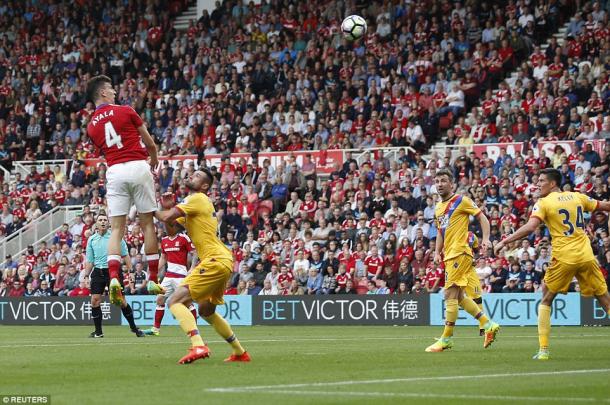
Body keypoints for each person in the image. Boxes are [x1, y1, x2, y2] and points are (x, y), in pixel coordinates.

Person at [494, 168, 610, 360]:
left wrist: (505, 241)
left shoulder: (544, 203)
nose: (537, 184)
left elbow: (531, 227)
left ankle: (543, 350)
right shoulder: (577, 197)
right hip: (587, 255)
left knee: (546, 297)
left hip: (564, 256)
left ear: (553, 183)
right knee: (604, 297)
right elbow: (604, 205)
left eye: (541, 180)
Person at [155, 168, 249, 364]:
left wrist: (146, 205)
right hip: (222, 261)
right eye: (192, 174)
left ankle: (198, 345)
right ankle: (240, 352)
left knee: (175, 301)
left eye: (196, 176)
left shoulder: (197, 197)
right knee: (206, 311)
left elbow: (164, 217)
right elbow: (170, 225)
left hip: (213, 260)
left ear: (205, 186)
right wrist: (168, 207)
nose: (191, 176)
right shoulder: (196, 205)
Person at [85, 75, 162, 305]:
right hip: (138, 166)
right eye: (111, 89)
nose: (115, 92)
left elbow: (105, 150)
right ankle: (153, 278)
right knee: (147, 223)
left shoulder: (91, 127)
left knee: (116, 229)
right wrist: (154, 159)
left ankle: (114, 278)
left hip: (115, 171)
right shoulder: (126, 110)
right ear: (103, 94)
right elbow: (149, 143)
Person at [426, 169, 500, 353]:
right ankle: (487, 323)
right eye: (437, 181)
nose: (440, 184)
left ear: (451, 183)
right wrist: (437, 252)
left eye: (443, 180)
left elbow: (482, 216)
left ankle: (446, 338)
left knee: (449, 295)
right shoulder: (438, 208)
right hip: (449, 254)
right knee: (458, 297)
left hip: (460, 253)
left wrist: (485, 239)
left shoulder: (461, 200)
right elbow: (441, 232)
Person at [85, 212, 143, 338]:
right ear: (96, 223)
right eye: (100, 220)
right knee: (94, 301)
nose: (103, 222)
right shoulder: (91, 240)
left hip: (113, 271)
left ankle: (134, 328)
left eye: (105, 220)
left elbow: (125, 255)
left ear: (109, 222)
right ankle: (98, 332)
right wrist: (85, 276)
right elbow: (89, 260)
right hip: (98, 271)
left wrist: (131, 271)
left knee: (121, 301)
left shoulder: (115, 237)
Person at [143, 228, 198, 336]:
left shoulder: (183, 238)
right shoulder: (164, 240)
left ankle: (194, 329)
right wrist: (154, 271)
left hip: (181, 276)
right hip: (168, 276)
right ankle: (155, 329)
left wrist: (192, 268)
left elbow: (194, 253)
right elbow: (163, 258)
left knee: (187, 302)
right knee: (159, 299)